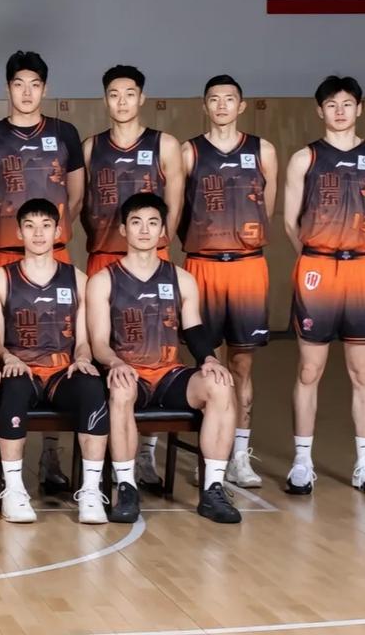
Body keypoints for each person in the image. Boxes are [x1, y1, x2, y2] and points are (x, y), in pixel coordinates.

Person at [0, 50, 85, 493]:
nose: (27, 92)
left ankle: (51, 455)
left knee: (60, 346)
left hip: (53, 255)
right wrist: (5, 240)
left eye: (35, 84)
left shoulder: (64, 133)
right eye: (19, 84)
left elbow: (75, 198)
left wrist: (46, 238)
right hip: (2, 254)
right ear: (8, 88)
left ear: (45, 89)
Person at [87, 193, 241, 524]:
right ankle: (126, 487)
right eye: (136, 222)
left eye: (152, 223)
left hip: (169, 374)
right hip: (129, 373)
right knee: (121, 390)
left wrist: (210, 359)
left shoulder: (181, 278)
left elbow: (194, 327)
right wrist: (115, 363)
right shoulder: (103, 280)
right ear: (123, 229)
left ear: (162, 231)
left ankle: (213, 489)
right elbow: (98, 342)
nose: (144, 230)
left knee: (220, 385)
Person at [81, 64, 183, 490]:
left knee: (154, 351)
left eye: (129, 94)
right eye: (113, 94)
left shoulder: (165, 144)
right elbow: (80, 206)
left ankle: (144, 454)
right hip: (103, 258)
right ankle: (102, 454)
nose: (121, 101)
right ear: (105, 99)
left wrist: (152, 248)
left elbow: (173, 207)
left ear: (142, 98)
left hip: (150, 260)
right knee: (99, 353)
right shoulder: (91, 147)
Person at [282, 75, 365, 496]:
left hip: (363, 269)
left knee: (363, 372)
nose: (339, 111)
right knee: (309, 369)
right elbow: (290, 222)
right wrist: (314, 258)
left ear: (360, 108)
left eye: (347, 104)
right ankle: (302, 462)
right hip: (318, 269)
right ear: (319, 110)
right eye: (331, 104)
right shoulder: (305, 158)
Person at [179, 75, 278, 488]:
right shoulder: (189, 151)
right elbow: (176, 209)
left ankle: (238, 456)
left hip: (247, 266)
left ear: (241, 105)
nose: (221, 105)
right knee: (203, 362)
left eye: (229, 99)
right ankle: (202, 456)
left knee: (241, 365)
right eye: (214, 99)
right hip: (202, 265)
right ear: (204, 106)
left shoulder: (262, 150)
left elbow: (265, 209)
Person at [0, 199, 107, 524]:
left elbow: (83, 341)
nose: (38, 233)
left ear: (58, 231)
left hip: (61, 372)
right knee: (13, 387)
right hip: (21, 369)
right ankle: (13, 489)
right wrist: (8, 357)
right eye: (30, 226)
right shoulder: (2, 278)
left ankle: (90, 491)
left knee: (92, 387)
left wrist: (82, 358)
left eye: (46, 226)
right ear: (19, 232)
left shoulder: (77, 279)